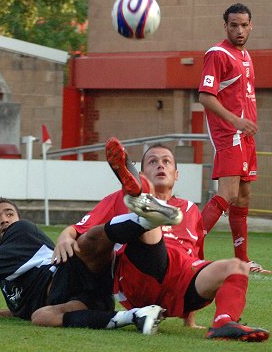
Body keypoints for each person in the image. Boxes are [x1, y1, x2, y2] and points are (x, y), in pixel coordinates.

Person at [54, 137, 269, 342]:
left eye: (166, 162)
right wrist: (65, 236)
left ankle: (224, 323)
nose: (160, 165)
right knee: (148, 225)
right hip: (139, 275)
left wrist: (190, 319)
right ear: (141, 173)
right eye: (153, 161)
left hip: (180, 280)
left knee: (237, 267)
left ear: (176, 174)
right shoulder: (120, 199)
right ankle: (146, 204)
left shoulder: (190, 209)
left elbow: (195, 257)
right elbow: (81, 229)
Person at [0, 197, 165, 335]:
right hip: (79, 299)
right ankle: (136, 315)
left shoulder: (21, 231)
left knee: (86, 241)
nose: (4, 219)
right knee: (41, 317)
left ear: (19, 219)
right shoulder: (7, 277)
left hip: (67, 272)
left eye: (9, 214)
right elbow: (18, 313)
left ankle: (145, 219)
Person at [198, 3, 265, 272]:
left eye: (244, 25)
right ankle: (187, 247)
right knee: (228, 194)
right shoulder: (217, 54)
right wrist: (235, 120)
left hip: (245, 134)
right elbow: (205, 96)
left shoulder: (246, 56)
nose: (239, 30)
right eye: (233, 25)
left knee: (244, 195)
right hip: (229, 133)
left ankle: (242, 259)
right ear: (225, 25)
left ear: (251, 26)